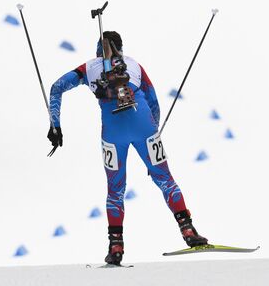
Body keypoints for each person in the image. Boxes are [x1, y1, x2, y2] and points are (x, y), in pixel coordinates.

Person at [47, 31, 207, 266]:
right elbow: (153, 101)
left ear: (98, 49)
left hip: (112, 132)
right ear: (120, 48)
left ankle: (116, 246)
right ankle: (188, 231)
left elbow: (56, 87)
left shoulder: (89, 67)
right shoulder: (134, 65)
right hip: (143, 125)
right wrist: (154, 134)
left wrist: (55, 126)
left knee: (115, 189)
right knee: (165, 179)